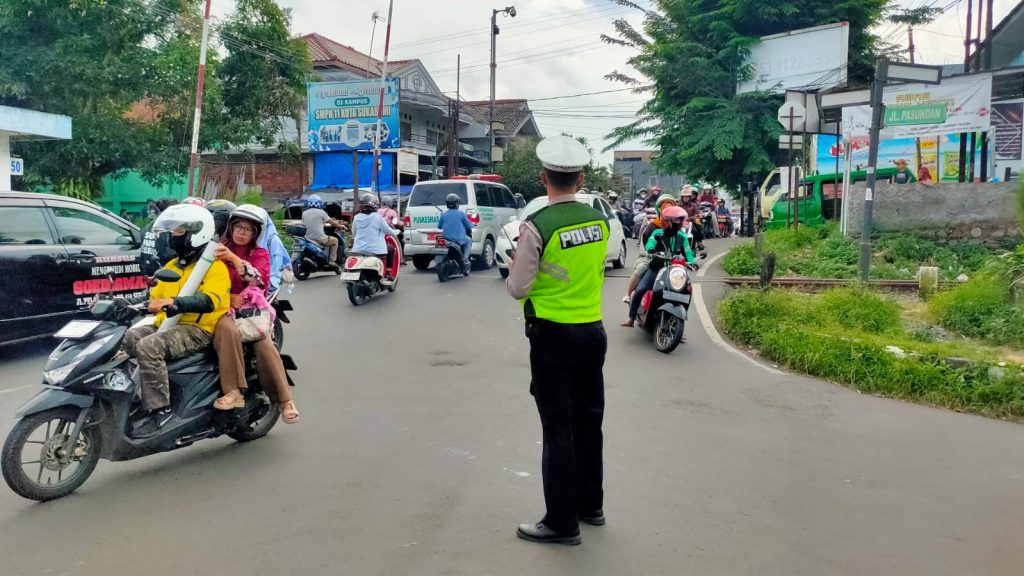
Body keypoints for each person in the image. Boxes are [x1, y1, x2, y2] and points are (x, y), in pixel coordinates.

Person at [506, 135, 609, 546]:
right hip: (593, 330)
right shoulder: (600, 221)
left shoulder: (538, 226)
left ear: (543, 178)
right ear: (581, 179)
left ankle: (562, 522)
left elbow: (517, 287)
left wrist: (520, 260)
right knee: (589, 422)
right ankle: (591, 506)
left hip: (552, 335)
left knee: (558, 429)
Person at [122, 204, 231, 437]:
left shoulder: (215, 267)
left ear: (196, 233)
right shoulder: (173, 266)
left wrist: (176, 302)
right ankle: (143, 393)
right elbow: (155, 297)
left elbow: (210, 301)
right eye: (172, 231)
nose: (172, 236)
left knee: (149, 346)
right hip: (168, 322)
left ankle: (161, 409)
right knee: (129, 338)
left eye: (179, 232)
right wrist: (125, 304)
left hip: (197, 328)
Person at [211, 205, 299, 423]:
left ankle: (285, 400)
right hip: (219, 305)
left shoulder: (259, 253)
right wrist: (228, 297)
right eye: (238, 227)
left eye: (247, 229)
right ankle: (233, 391)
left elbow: (260, 280)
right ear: (230, 228)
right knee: (225, 328)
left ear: (255, 233)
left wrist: (233, 258)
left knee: (263, 344)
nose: (241, 232)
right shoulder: (215, 249)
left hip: (249, 309)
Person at [622, 205, 694, 328]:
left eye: (681, 220)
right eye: (677, 220)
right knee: (640, 289)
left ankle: (678, 324)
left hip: (674, 271)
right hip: (657, 268)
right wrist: (651, 249)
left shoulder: (682, 237)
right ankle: (631, 318)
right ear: (668, 221)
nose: (680, 223)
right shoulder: (658, 233)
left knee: (686, 292)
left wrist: (692, 261)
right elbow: (651, 242)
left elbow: (688, 252)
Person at [623, 195, 678, 303]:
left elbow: (681, 242)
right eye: (665, 209)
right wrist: (651, 252)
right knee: (642, 268)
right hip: (651, 257)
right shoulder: (653, 225)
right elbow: (645, 243)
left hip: (670, 259)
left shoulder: (676, 226)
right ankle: (627, 294)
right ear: (659, 211)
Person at [351, 195, 399, 277]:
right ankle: (388, 273)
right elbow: (389, 231)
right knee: (390, 249)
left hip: (358, 250)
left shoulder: (356, 217)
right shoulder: (378, 217)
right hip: (376, 251)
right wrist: (398, 231)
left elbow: (353, 233)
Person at [302, 194, 347, 269]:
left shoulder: (304, 213)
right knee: (335, 240)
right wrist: (340, 226)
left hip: (307, 238)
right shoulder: (321, 212)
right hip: (319, 238)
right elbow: (331, 222)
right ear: (319, 203)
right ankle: (332, 260)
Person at [139, 198, 181, 277]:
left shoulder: (147, 227)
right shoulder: (167, 229)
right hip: (165, 273)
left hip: (147, 271)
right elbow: (170, 254)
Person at [257, 206, 292, 294]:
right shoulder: (248, 238)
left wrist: (269, 286)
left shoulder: (273, 240)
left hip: (268, 282)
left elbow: (276, 269)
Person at [437, 193, 474, 274]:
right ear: (457, 203)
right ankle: (465, 259)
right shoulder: (461, 214)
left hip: (446, 239)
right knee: (469, 241)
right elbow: (468, 225)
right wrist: (472, 225)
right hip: (459, 239)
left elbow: (439, 226)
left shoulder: (443, 214)